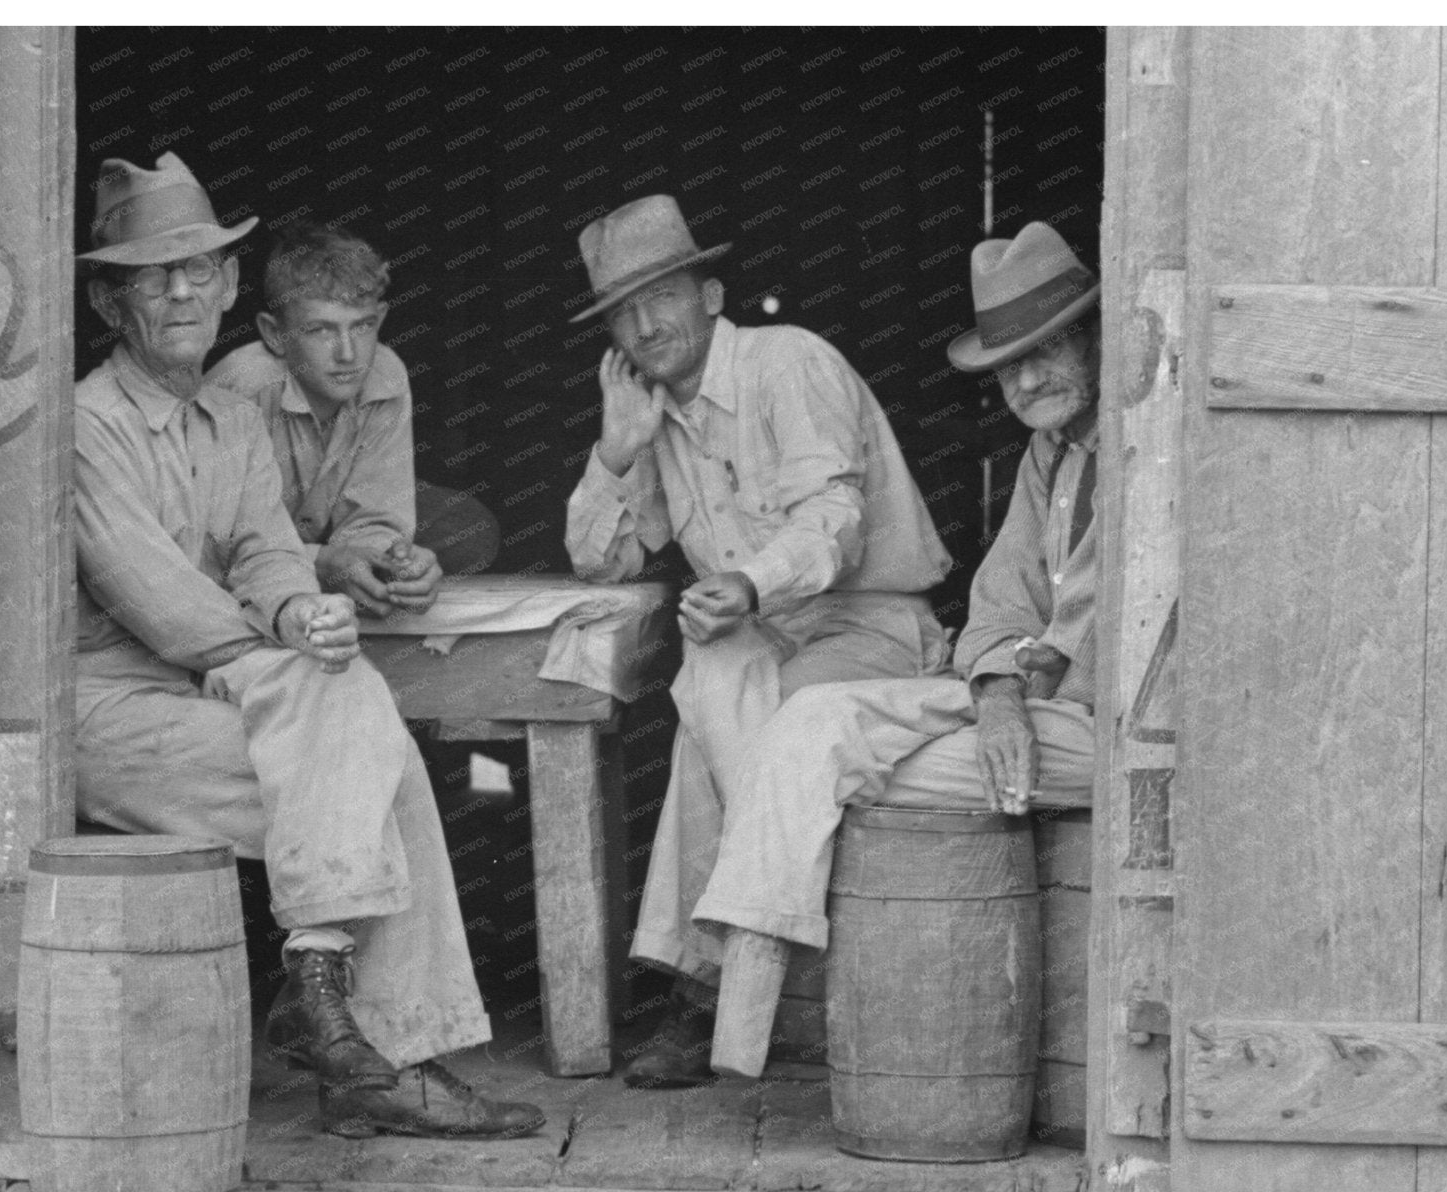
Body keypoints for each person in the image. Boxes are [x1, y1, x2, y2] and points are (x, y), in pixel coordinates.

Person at [69, 152, 542, 1139]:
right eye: (156, 276)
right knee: (375, 761)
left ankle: (321, 1001)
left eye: (202, 269)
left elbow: (266, 554)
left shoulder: (230, 418)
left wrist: (303, 614)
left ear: (232, 287)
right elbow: (167, 613)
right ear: (112, 304)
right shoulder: (85, 424)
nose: (187, 290)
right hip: (114, 716)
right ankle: (384, 1051)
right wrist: (282, 629)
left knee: (353, 713)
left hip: (224, 692)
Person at [561, 194, 956, 1087]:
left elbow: (835, 520)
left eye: (661, 294)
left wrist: (747, 583)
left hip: (874, 627)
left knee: (725, 707)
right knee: (712, 683)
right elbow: (604, 560)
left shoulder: (788, 362)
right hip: (771, 640)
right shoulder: (657, 414)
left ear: (711, 294)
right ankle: (734, 973)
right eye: (623, 311)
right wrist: (616, 451)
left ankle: (706, 991)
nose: (643, 322)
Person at [692, 221, 1104, 1074]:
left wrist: (1006, 694)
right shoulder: (1048, 452)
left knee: (827, 774)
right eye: (1006, 366)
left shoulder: (1143, 446)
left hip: (1111, 726)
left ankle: (767, 1017)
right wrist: (995, 696)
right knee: (808, 720)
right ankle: (744, 1006)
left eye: (1047, 350)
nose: (1026, 380)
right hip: (1031, 706)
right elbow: (996, 604)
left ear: (1096, 334)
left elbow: (1087, 631)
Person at [207, 220, 501, 612]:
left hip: (331, 520)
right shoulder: (241, 386)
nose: (348, 353)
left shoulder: (385, 371)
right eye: (320, 330)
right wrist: (320, 561)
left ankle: (350, 575)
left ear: (379, 319)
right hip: (252, 537)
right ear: (274, 333)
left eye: (361, 327)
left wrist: (390, 558)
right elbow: (211, 540)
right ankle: (303, 581)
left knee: (469, 530)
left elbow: (379, 513)